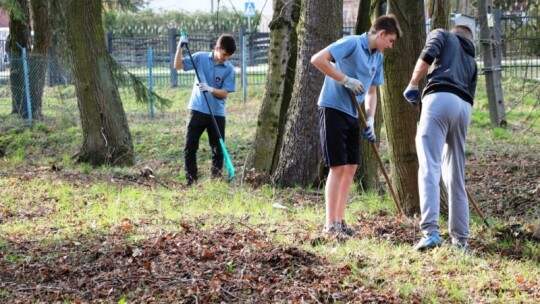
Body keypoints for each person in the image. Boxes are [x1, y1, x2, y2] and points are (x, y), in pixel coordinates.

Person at [311, 15, 402, 237]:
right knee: (338, 166)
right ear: (381, 34)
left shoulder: (377, 57)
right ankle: (329, 224)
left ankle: (340, 221)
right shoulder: (351, 43)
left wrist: (370, 119)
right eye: (390, 40)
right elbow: (318, 59)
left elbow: (372, 91)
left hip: (354, 113)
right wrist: (345, 80)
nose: (390, 46)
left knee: (351, 167)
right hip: (333, 108)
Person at [403, 25, 478, 251]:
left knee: (429, 166)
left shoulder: (443, 34)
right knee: (456, 175)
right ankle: (460, 240)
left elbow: (427, 56)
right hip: (464, 109)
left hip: (440, 98)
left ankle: (431, 232)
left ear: (455, 33)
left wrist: (413, 83)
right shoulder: (472, 62)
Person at [174, 34, 236, 186]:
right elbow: (178, 66)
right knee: (190, 147)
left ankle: (215, 181)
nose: (226, 58)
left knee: (218, 150)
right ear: (217, 48)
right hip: (196, 110)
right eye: (224, 54)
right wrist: (179, 47)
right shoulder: (200, 58)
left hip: (217, 114)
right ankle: (192, 181)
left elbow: (224, 93)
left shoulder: (229, 69)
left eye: (229, 56)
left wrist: (210, 89)